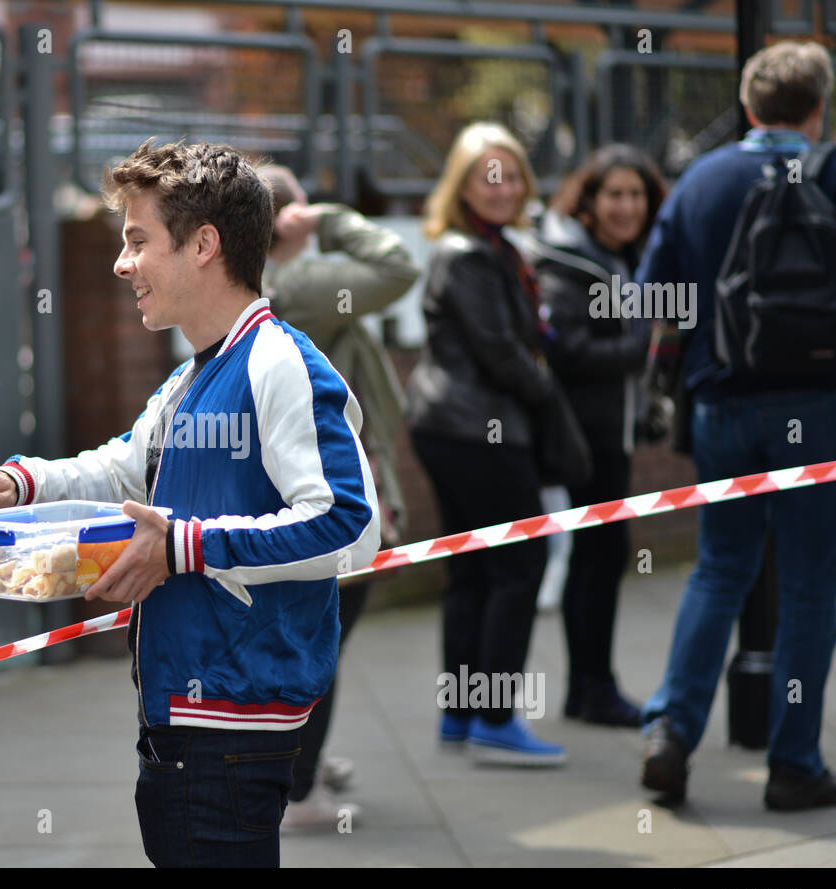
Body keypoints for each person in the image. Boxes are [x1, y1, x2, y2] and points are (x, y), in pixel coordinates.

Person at [0, 139, 380, 867]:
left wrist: (180, 547)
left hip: (232, 731)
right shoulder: (192, 375)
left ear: (204, 244)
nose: (121, 262)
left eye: (138, 241)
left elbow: (344, 527)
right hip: (186, 724)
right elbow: (126, 467)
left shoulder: (280, 361)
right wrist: (22, 484)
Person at [636, 41, 836, 809]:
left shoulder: (701, 179)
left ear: (751, 108)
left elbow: (653, 296)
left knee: (720, 568)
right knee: (812, 584)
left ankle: (670, 731)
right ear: (818, 105)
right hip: (822, 407)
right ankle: (793, 763)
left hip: (722, 400)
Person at [259, 164, 419, 828]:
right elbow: (399, 266)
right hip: (337, 482)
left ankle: (298, 763)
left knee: (310, 631)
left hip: (303, 479)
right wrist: (329, 220)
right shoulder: (304, 284)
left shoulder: (272, 288)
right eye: (305, 202)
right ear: (287, 217)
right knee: (324, 636)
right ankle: (298, 791)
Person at [406, 122, 566, 766]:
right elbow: (502, 354)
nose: (502, 189)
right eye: (486, 176)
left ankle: (462, 714)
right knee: (519, 564)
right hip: (478, 430)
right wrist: (548, 392)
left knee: (472, 570)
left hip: (455, 426)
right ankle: (496, 719)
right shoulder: (470, 254)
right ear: (462, 186)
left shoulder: (489, 248)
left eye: (511, 175)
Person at [524, 145, 666, 727]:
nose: (627, 206)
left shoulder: (620, 257)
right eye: (614, 195)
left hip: (612, 435)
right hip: (588, 441)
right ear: (589, 201)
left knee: (603, 558)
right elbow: (568, 350)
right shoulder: (572, 262)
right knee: (596, 560)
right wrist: (638, 348)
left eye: (637, 195)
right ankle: (591, 689)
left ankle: (592, 686)